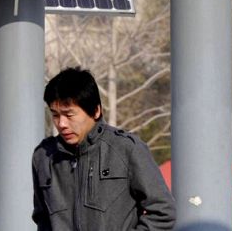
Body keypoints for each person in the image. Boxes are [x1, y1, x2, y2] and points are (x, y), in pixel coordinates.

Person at [32, 67, 175, 230]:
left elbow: (163, 212)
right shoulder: (43, 156)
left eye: (69, 115)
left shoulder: (127, 149)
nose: (61, 124)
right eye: (55, 115)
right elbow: (41, 218)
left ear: (95, 111)